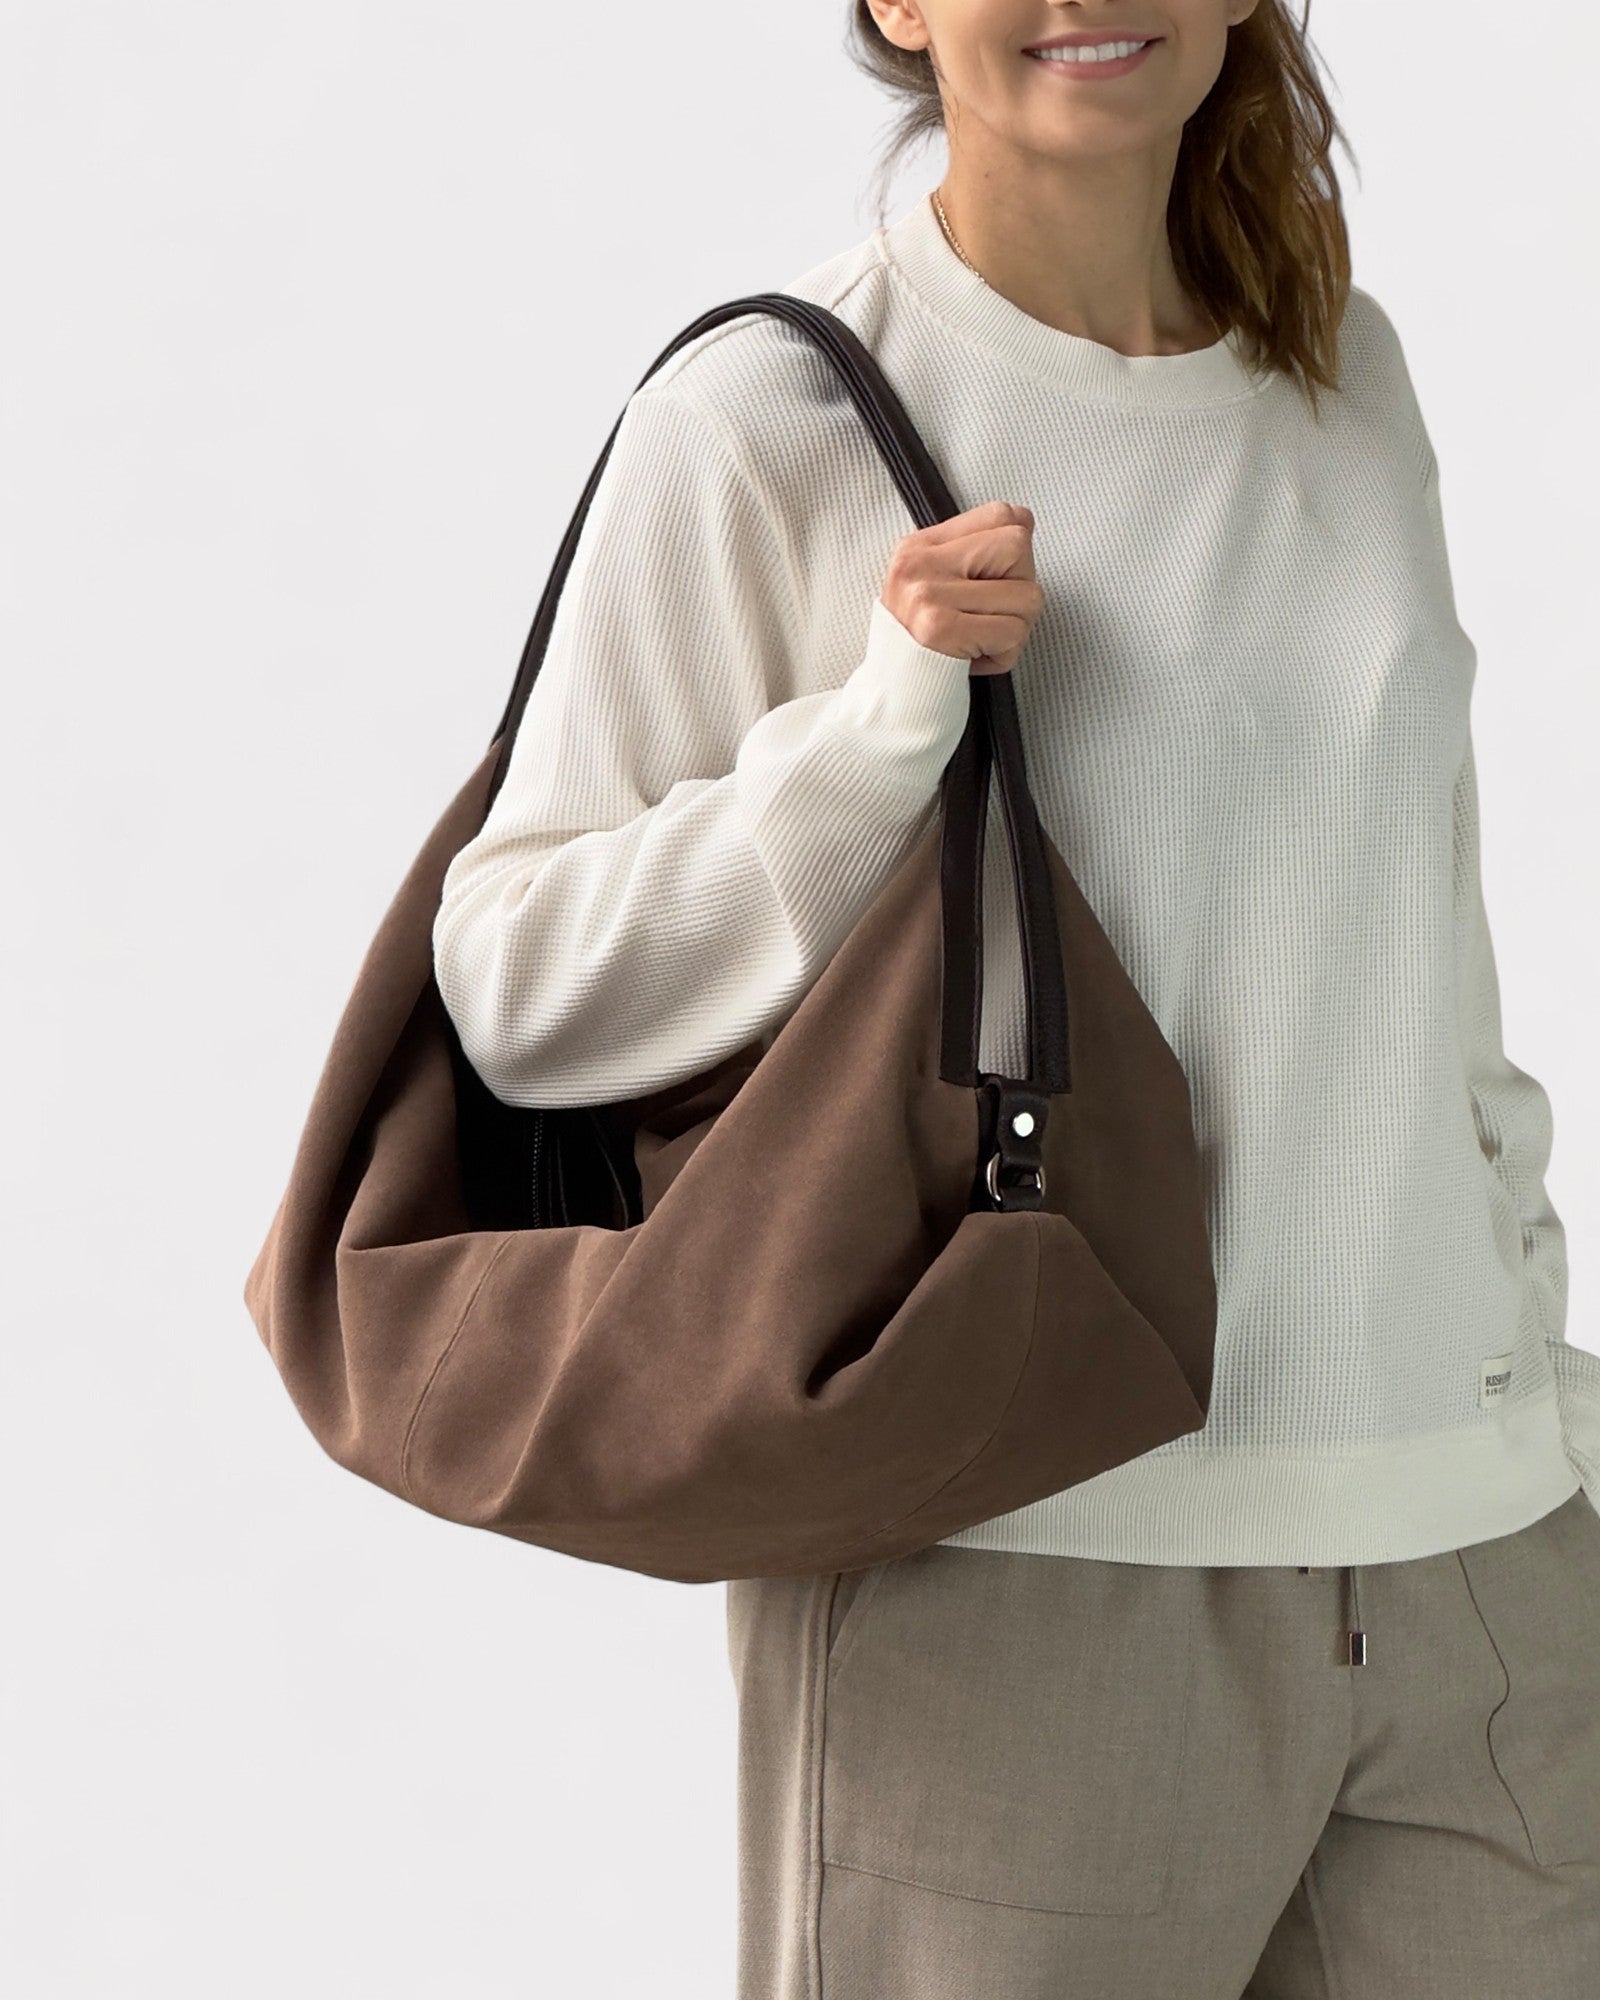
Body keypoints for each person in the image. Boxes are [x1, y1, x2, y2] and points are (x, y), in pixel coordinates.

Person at [431, 1, 1600, 1992]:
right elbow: (520, 989)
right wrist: (877, 732)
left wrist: (1538, 1389)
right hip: (1017, 1568)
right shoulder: (771, 418)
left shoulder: (1341, 377)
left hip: (1475, 1562)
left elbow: (1406, 929)